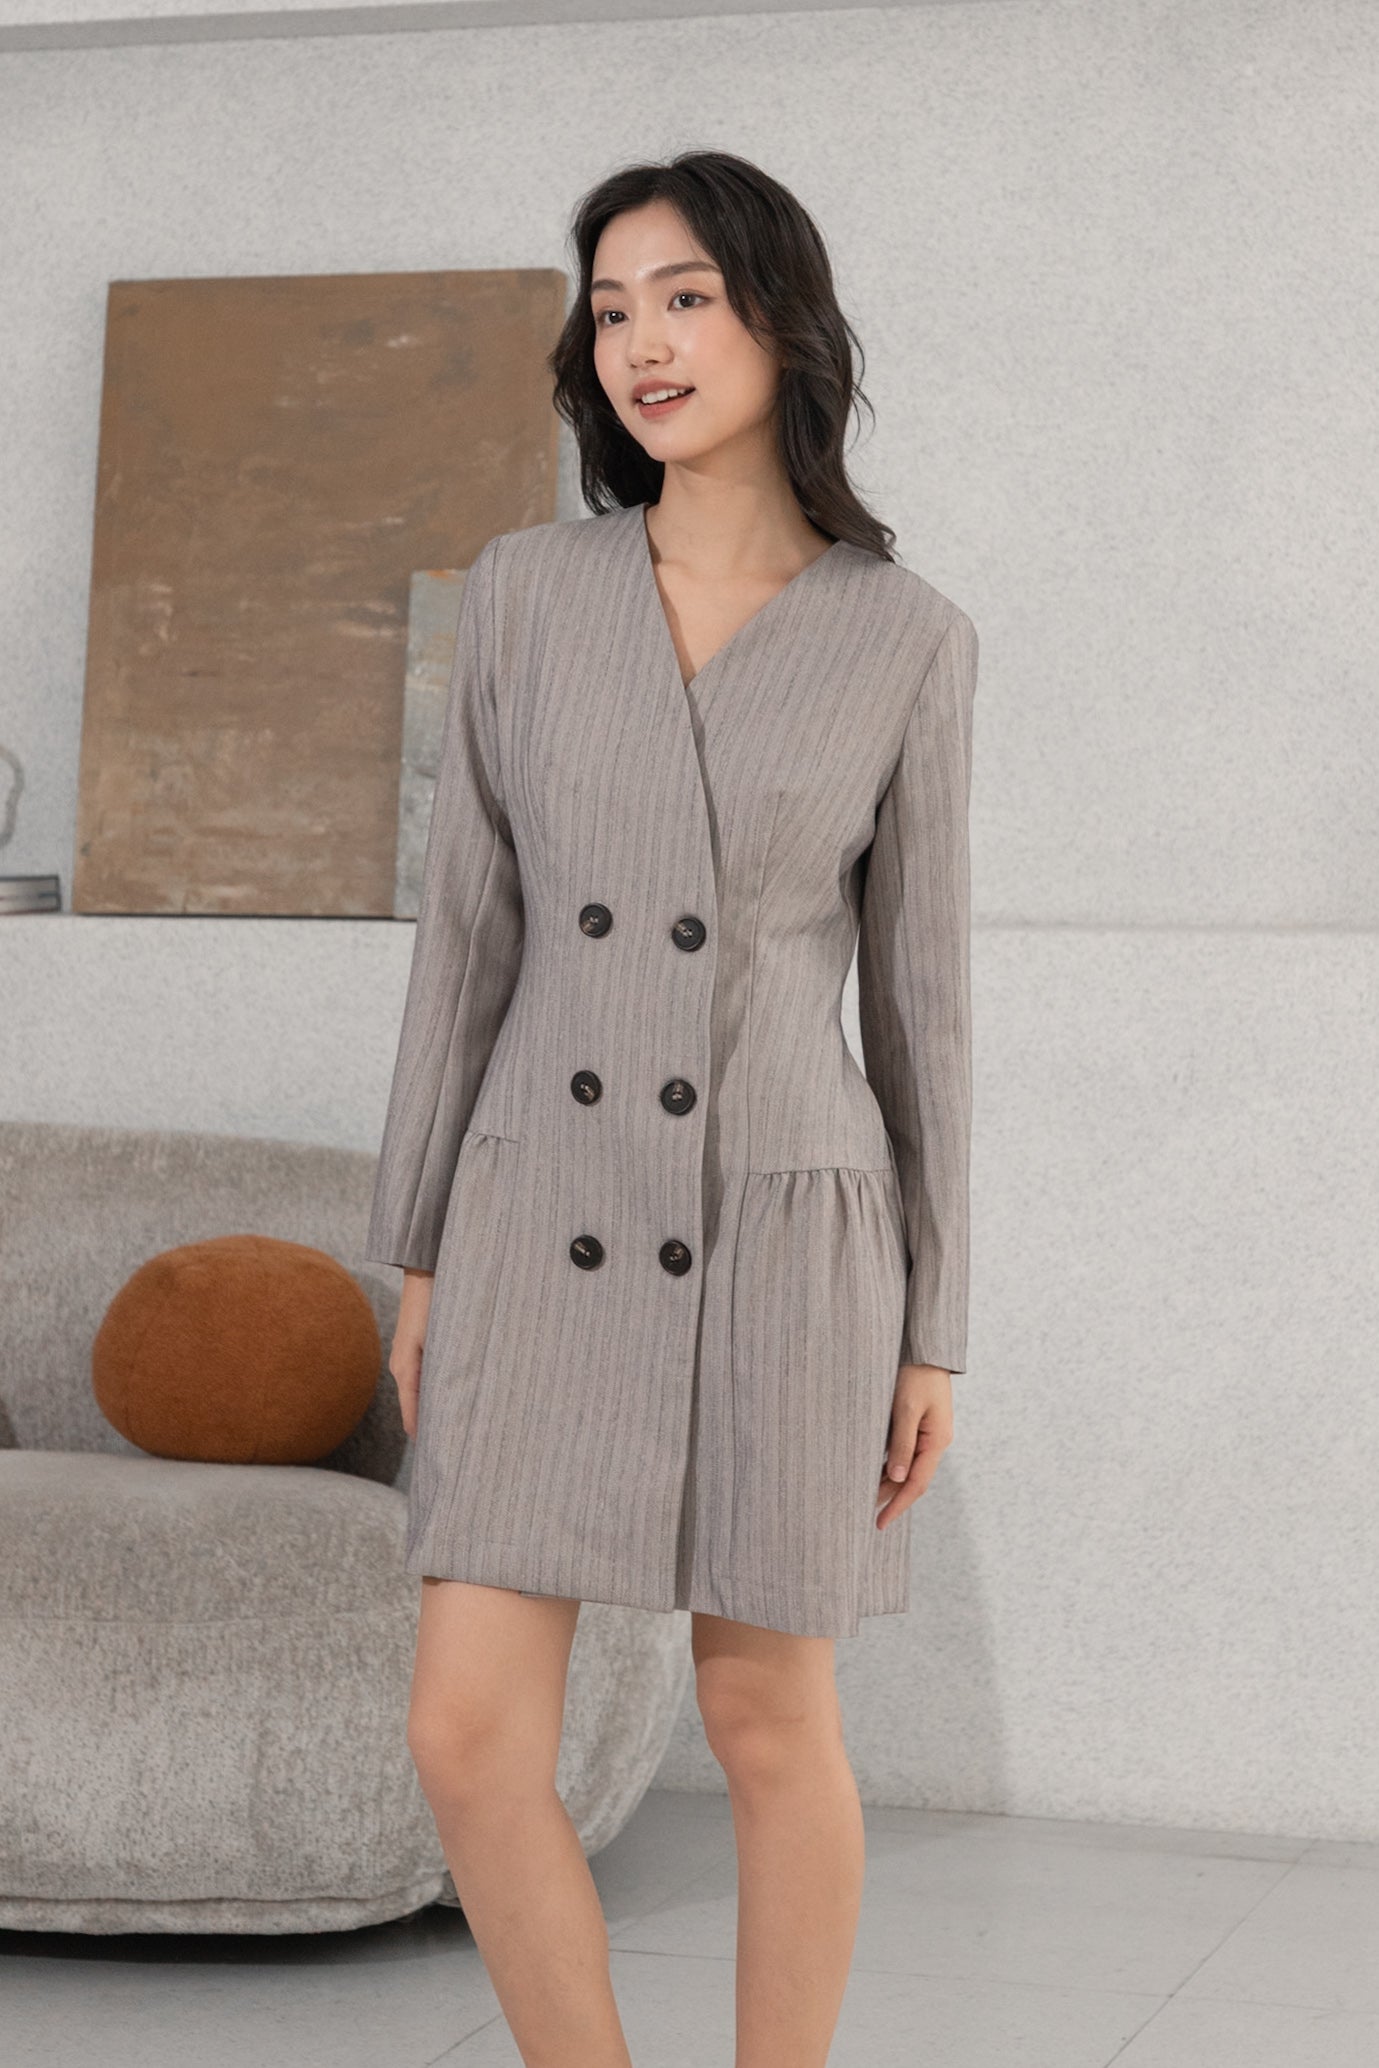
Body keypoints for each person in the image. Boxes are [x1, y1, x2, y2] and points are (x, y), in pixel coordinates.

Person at [365, 148, 979, 2068]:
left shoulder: (905, 636)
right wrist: (418, 1245)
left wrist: (937, 1324)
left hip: (786, 1226)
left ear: (783, 318)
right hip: (540, 1196)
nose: (642, 341)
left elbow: (926, 1011)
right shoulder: (527, 596)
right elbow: (466, 941)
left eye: (686, 297)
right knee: (466, 1734)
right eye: (614, 307)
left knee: (769, 1723)